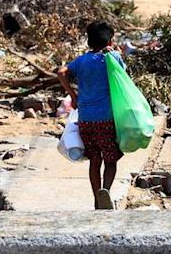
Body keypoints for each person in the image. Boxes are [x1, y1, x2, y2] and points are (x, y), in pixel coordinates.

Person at [57, 21, 126, 209]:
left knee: (95, 160)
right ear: (110, 40)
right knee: (111, 159)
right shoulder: (112, 58)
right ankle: (106, 190)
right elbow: (123, 80)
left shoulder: (81, 61)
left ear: (89, 41)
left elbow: (61, 72)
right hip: (107, 119)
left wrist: (73, 95)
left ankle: (97, 200)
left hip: (86, 120)